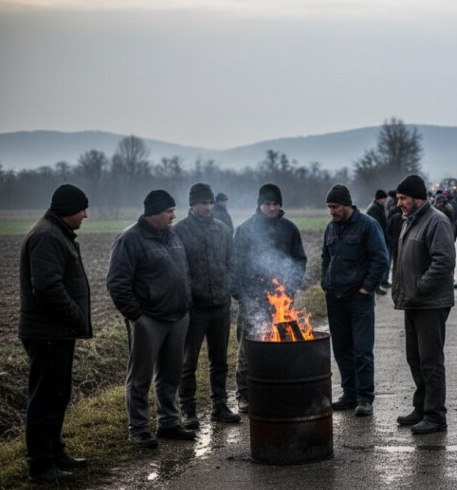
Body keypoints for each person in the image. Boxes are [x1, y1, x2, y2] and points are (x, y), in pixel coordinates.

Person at [106, 190, 195, 449]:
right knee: (140, 377)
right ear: (154, 213)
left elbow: (183, 271)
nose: (174, 215)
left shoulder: (173, 235)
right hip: (149, 320)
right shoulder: (129, 240)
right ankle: (139, 429)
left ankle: (168, 423)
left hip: (178, 317)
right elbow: (117, 283)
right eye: (169, 211)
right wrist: (138, 317)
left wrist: (186, 303)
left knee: (171, 374)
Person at [18, 184, 92, 482]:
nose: (86, 215)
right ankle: (41, 465)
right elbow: (47, 288)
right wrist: (75, 316)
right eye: (82, 209)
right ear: (68, 210)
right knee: (45, 399)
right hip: (47, 332)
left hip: (56, 331)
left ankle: (55, 451)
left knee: (58, 396)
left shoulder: (56, 232)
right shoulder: (47, 236)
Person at [232, 183, 307, 413]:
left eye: (275, 203)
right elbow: (235, 264)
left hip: (282, 302)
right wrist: (242, 294)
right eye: (267, 203)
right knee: (249, 348)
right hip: (252, 300)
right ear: (259, 205)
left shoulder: (289, 229)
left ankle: (277, 389)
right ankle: (244, 394)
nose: (272, 207)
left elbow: (299, 260)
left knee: (282, 346)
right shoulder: (245, 230)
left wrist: (290, 289)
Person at [391, 175, 456, 435]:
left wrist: (420, 287)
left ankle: (435, 415)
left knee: (430, 361)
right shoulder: (410, 221)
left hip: (430, 303)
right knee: (414, 358)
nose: (399, 204)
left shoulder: (437, 221)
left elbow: (443, 261)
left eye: (403, 198)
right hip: (414, 301)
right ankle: (421, 407)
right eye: (397, 199)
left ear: (418, 199)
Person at [174, 183, 241, 429]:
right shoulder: (180, 231)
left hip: (220, 305)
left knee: (220, 359)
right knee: (188, 361)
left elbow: (232, 261)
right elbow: (180, 270)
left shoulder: (221, 229)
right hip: (195, 308)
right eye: (203, 203)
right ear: (192, 204)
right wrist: (189, 296)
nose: (208, 207)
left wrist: (227, 285)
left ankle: (219, 406)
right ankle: (188, 411)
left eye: (211, 202)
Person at [321, 184, 389, 417]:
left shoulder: (368, 225)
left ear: (348, 205)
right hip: (335, 297)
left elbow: (380, 259)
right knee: (341, 349)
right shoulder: (330, 228)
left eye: (336, 206)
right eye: (329, 207)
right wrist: (325, 282)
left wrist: (366, 288)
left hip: (358, 299)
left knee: (362, 350)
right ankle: (349, 394)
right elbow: (325, 257)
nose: (332, 211)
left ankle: (365, 398)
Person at [365, 189, 390, 292]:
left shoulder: (377, 207)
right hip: (377, 240)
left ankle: (377, 286)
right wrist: (382, 239)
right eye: (384, 198)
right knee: (377, 263)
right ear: (380, 198)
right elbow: (377, 226)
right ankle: (376, 287)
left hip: (379, 238)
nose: (385, 200)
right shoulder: (375, 209)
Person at [385, 191, 403, 284]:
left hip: (396, 243)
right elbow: (388, 231)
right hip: (397, 243)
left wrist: (392, 241)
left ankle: (396, 281)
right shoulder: (400, 218)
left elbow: (388, 231)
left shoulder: (394, 216)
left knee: (396, 263)